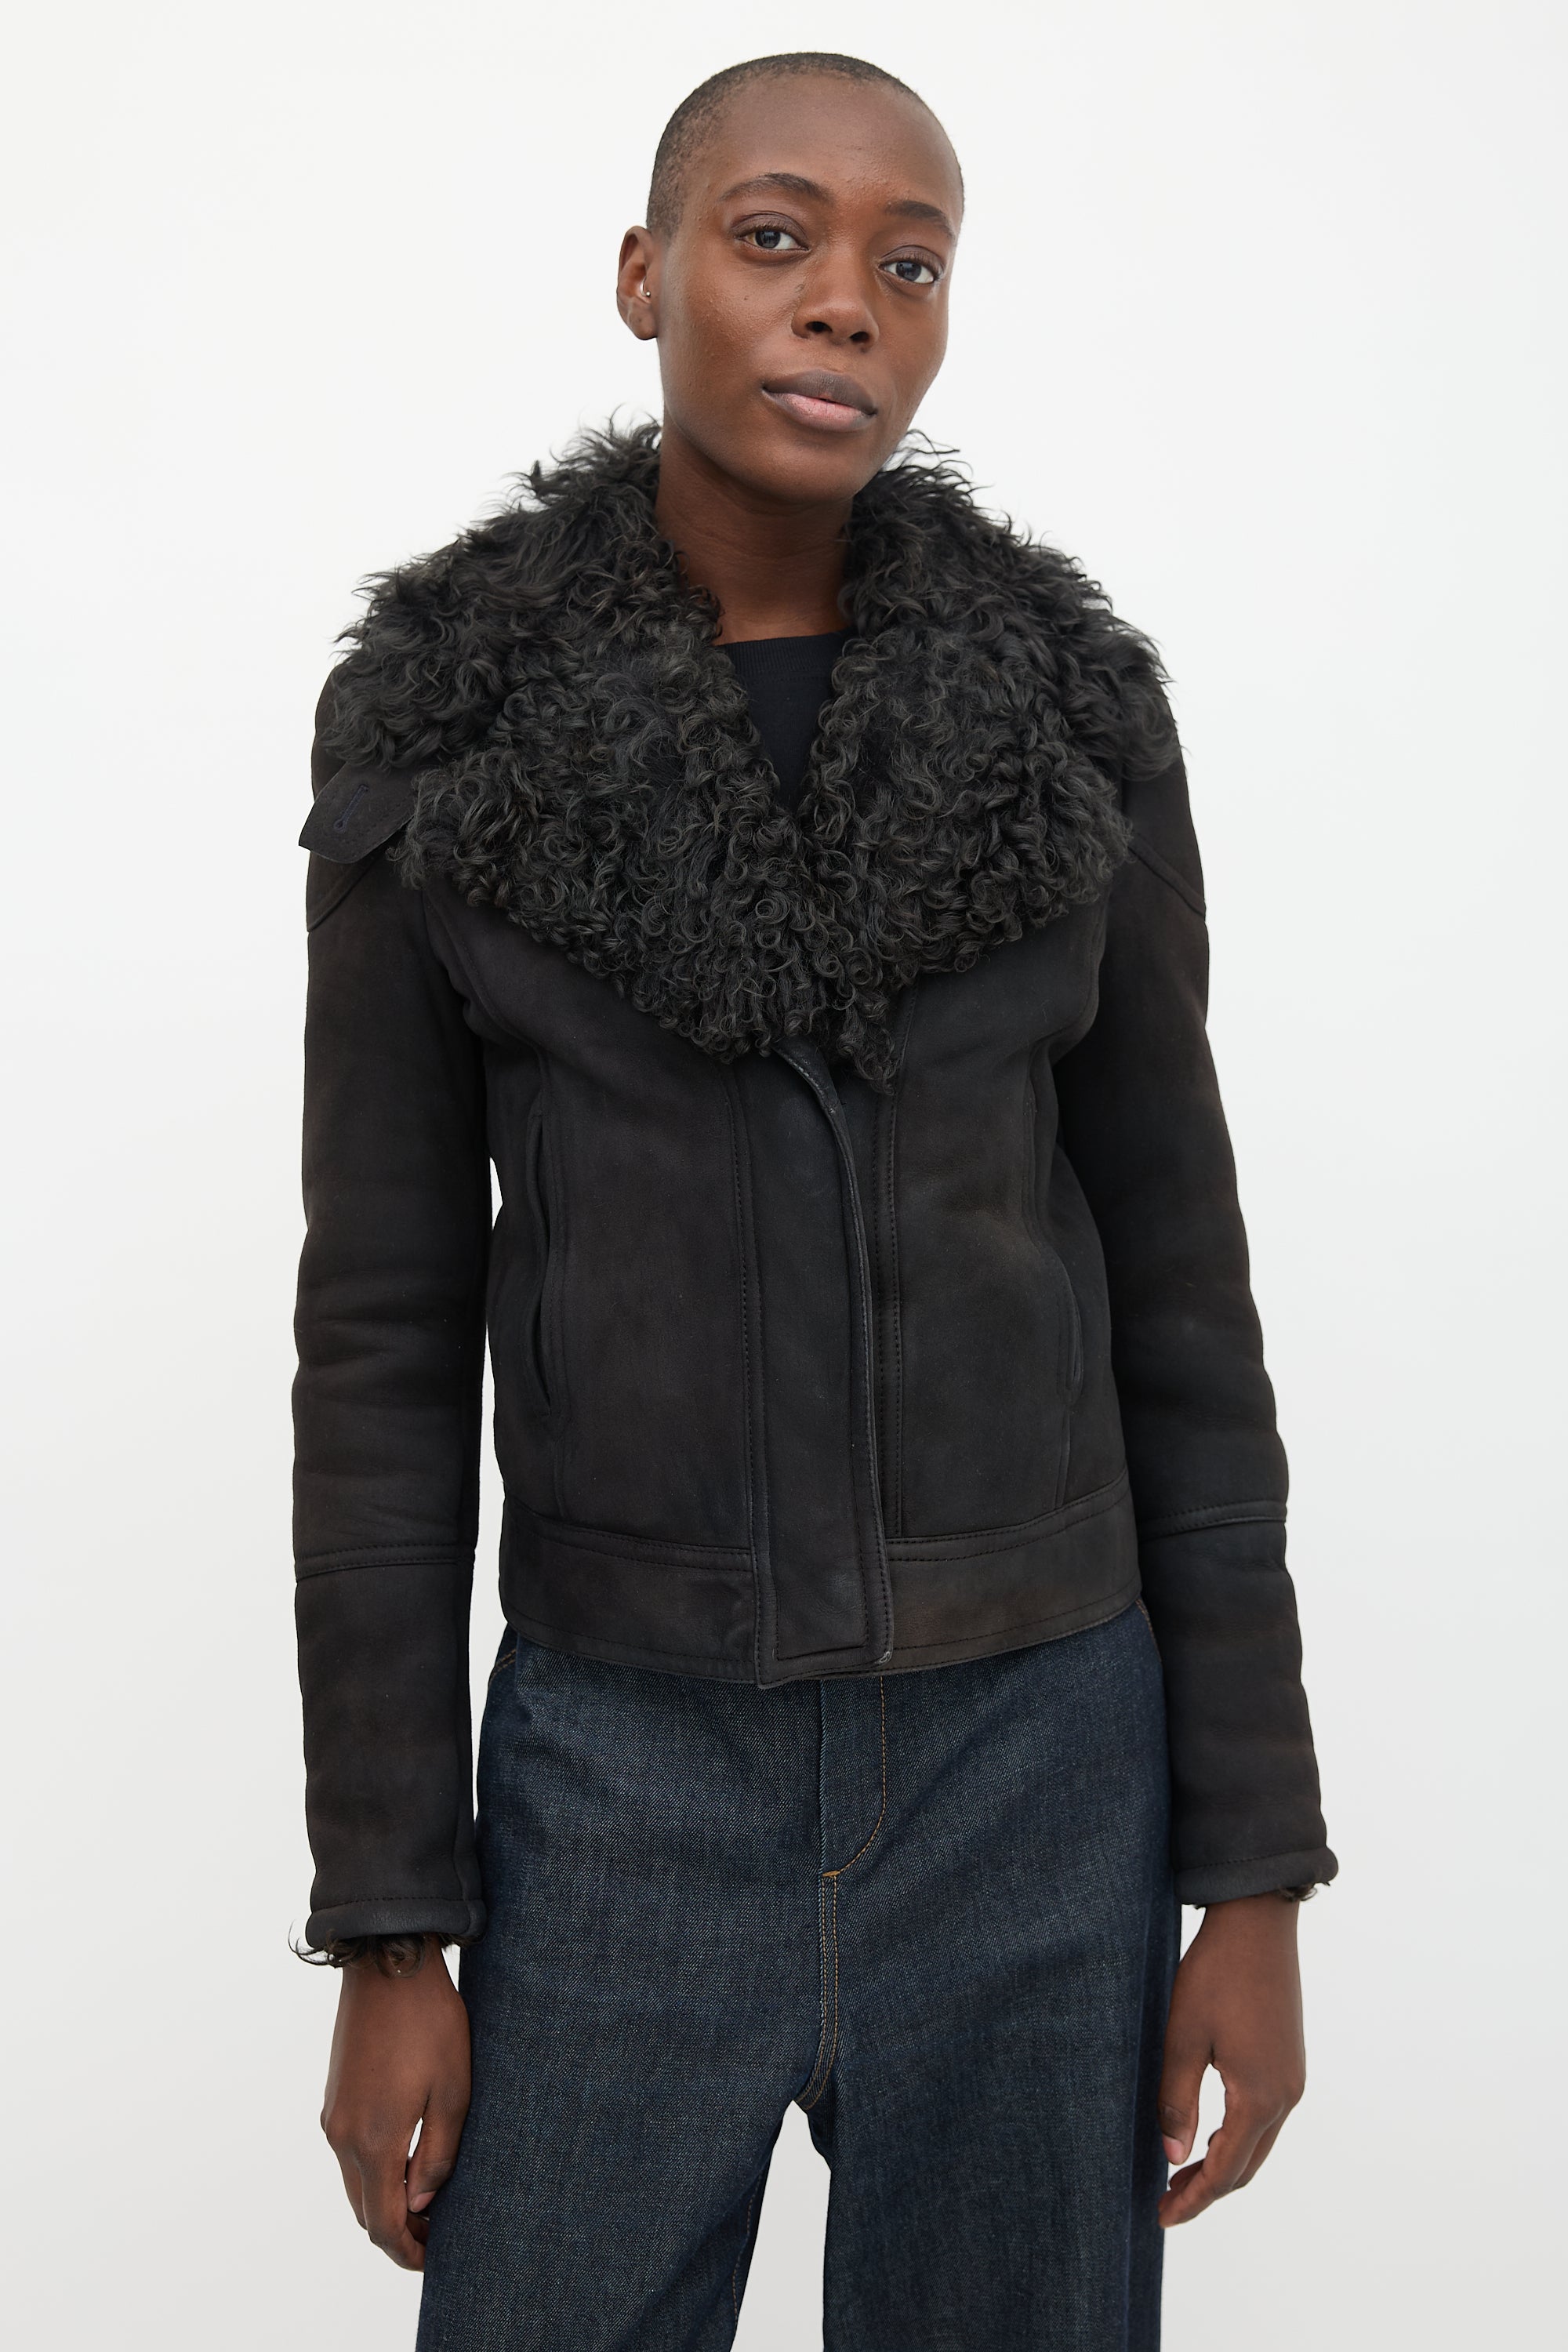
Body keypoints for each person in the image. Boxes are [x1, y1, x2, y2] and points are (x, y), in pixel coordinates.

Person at [293, 50, 1335, 2351]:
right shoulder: (444, 721)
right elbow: (379, 1338)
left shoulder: (1066, 716)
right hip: (620, 1770)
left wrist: (1250, 1872)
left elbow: (1182, 1286)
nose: (846, 299)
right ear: (645, 273)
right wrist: (391, 1922)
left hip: (1041, 1766)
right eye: (776, 236)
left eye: (911, 261)